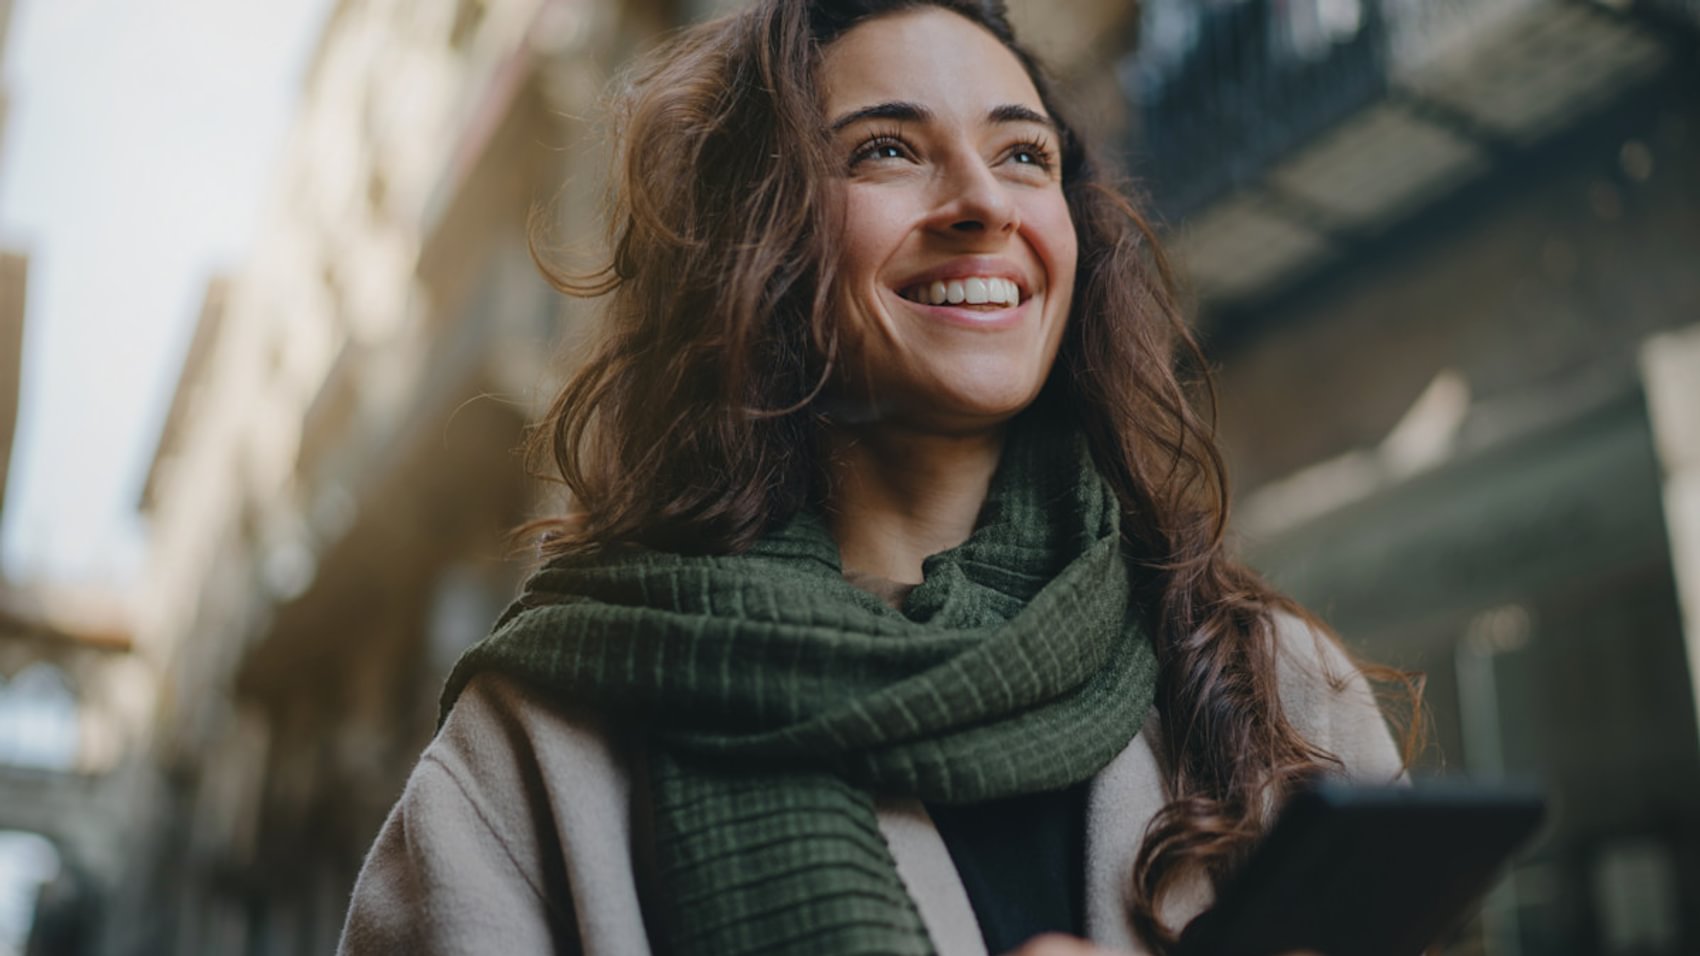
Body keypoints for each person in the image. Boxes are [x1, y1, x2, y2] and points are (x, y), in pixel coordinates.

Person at [337, 0, 1422, 953]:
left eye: (1022, 155)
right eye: (885, 152)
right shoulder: (536, 748)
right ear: (754, 243)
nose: (979, 203)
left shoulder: (1258, 679)